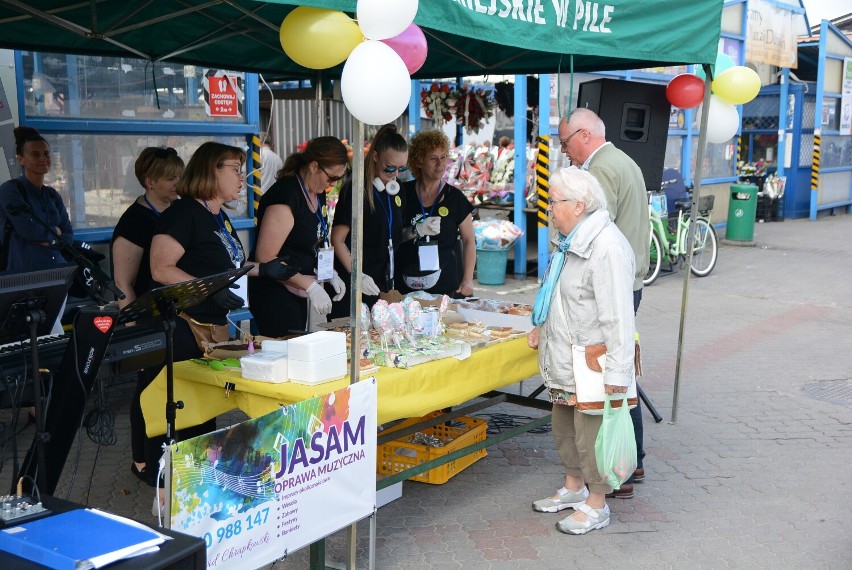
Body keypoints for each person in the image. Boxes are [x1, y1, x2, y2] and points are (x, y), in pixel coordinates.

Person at [147, 142, 295, 483]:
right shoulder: (184, 213)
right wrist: (210, 289)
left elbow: (225, 267)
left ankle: (195, 476)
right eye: (235, 169)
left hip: (213, 329)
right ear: (210, 170)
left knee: (203, 411)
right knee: (182, 410)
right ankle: (167, 480)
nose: (243, 178)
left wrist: (262, 270)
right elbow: (161, 268)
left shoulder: (218, 215)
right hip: (184, 328)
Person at [527, 167, 636, 535]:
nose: (549, 210)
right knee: (564, 428)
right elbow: (562, 294)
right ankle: (574, 488)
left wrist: (618, 376)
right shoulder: (572, 240)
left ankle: (597, 503)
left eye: (553, 202)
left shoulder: (607, 247)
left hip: (591, 363)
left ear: (578, 204)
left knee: (591, 436)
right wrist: (542, 324)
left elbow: (619, 319)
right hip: (565, 358)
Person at [559, 107, 649, 499]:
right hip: (626, 280)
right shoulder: (623, 160)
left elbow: (593, 232)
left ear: (583, 135)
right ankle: (632, 460)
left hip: (610, 284)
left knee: (607, 373)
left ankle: (617, 470)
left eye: (565, 143)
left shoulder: (598, 171)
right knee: (616, 369)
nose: (564, 152)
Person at [111, 146, 184, 485]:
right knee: (148, 388)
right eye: (171, 178)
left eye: (180, 175)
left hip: (174, 315)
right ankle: (141, 459)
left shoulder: (177, 210)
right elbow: (122, 284)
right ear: (149, 181)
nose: (178, 183)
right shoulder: (134, 222)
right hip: (146, 318)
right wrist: (132, 329)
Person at [248, 136, 348, 336]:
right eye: (331, 178)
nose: (332, 184)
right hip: (275, 292)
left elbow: (312, 239)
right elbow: (266, 258)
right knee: (288, 351)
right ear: (313, 166)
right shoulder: (286, 196)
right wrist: (310, 286)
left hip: (296, 286)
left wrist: (329, 273)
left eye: (338, 179)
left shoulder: (316, 192)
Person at [330, 124, 408, 316]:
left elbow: (394, 236)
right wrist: (358, 275)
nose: (394, 174)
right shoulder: (356, 190)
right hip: (353, 287)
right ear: (375, 157)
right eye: (389, 167)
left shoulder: (397, 191)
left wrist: (418, 230)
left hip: (383, 287)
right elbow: (337, 240)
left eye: (401, 168)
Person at [397, 129, 475, 297]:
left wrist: (468, 279)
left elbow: (469, 240)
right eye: (433, 158)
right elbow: (392, 235)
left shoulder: (455, 198)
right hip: (404, 283)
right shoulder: (403, 193)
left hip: (444, 285)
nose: (440, 164)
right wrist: (415, 231)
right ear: (418, 161)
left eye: (443, 157)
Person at [0, 126, 74, 272]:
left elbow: (69, 235)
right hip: (23, 274)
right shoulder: (10, 190)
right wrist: (55, 233)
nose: (43, 159)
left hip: (57, 272)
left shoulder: (53, 195)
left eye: (46, 153)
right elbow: (28, 230)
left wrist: (49, 240)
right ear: (21, 159)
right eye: (35, 154)